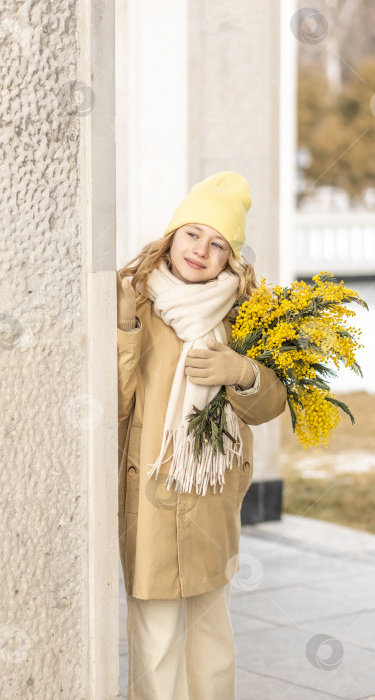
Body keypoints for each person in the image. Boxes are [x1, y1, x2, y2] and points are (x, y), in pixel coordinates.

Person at [116, 171, 287, 699]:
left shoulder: (247, 315)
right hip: (151, 492)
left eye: (218, 244)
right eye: (193, 233)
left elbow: (272, 404)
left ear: (230, 259)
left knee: (210, 636)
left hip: (212, 497)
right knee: (156, 636)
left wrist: (245, 373)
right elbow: (114, 401)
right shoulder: (137, 302)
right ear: (171, 237)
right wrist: (124, 329)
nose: (201, 250)